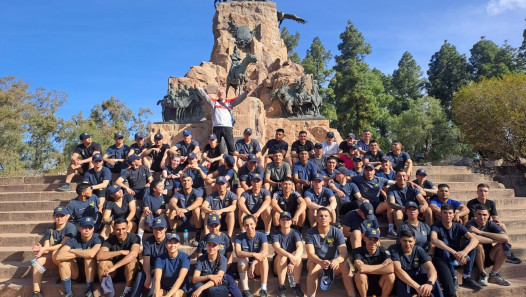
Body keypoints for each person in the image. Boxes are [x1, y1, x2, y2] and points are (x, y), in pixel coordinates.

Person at [431, 204, 482, 294]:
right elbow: (434, 240)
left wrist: (464, 252)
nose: (448, 215)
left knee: (471, 245)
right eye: (445, 213)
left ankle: (466, 276)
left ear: (454, 215)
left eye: (450, 213)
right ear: (441, 214)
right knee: (443, 246)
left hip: (458, 257)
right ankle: (454, 278)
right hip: (445, 257)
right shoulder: (436, 226)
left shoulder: (458, 226)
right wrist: (454, 252)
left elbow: (474, 239)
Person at [305, 208, 356, 297]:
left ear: (330, 219)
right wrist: (320, 261)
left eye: (326, 216)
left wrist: (338, 260)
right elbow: (310, 254)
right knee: (312, 265)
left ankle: (352, 295)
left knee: (345, 265)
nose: (323, 218)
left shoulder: (337, 232)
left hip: (334, 264)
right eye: (320, 216)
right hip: (318, 263)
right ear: (316, 218)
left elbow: (344, 252)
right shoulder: (310, 233)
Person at [466, 183, 521, 264]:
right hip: (478, 224)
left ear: (489, 193)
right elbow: (473, 218)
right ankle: (503, 243)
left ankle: (506, 247)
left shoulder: (491, 203)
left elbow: (495, 216)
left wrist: (497, 221)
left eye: (485, 191)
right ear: (477, 192)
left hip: (488, 223)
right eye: (481, 191)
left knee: (502, 225)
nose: (483, 193)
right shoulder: (471, 203)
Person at [30, 207, 77, 297]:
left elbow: (62, 245)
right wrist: (41, 249)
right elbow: (47, 246)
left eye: (62, 215)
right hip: (55, 259)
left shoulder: (71, 227)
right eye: (57, 216)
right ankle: (36, 292)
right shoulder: (50, 230)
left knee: (56, 252)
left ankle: (68, 291)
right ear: (53, 217)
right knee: (38, 261)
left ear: (67, 216)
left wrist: (45, 249)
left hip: (69, 260)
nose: (59, 218)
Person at [196, 84, 253, 155]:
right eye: (219, 93)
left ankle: (231, 163)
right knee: (216, 146)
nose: (221, 94)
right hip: (217, 127)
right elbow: (206, 97)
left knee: (231, 146)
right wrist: (199, 88)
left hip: (227, 127)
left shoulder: (230, 102)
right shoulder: (214, 102)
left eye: (222, 93)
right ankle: (217, 163)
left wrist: (247, 92)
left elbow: (239, 99)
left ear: (225, 94)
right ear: (218, 95)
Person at [56, 216, 103, 297]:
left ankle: (88, 291)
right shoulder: (74, 240)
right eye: (84, 227)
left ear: (93, 229)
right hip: (77, 273)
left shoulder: (97, 238)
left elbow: (91, 254)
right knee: (63, 262)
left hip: (92, 272)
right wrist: (83, 253)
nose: (87, 230)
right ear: (79, 228)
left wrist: (73, 251)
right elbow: (59, 256)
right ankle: (68, 292)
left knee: (89, 259)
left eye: (90, 227)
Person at [196, 215, 242, 297]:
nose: (214, 228)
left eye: (216, 226)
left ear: (220, 225)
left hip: (224, 269)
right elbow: (199, 257)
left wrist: (222, 270)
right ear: (208, 227)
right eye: (211, 226)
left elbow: (230, 259)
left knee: (234, 288)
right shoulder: (203, 240)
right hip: (207, 269)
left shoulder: (226, 238)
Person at [466, 205, 511, 287]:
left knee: (504, 246)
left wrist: (481, 232)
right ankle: (482, 273)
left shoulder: (490, 224)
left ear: (488, 215)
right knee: (478, 245)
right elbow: (476, 239)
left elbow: (505, 238)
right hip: (475, 258)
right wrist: (495, 239)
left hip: (489, 255)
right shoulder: (470, 224)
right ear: (475, 214)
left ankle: (494, 274)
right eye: (479, 214)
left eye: (484, 215)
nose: (482, 217)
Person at [389, 229, 442, 297]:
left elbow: (431, 269)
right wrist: (417, 287)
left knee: (433, 281)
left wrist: (429, 284)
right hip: (402, 280)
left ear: (414, 241)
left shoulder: (419, 250)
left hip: (416, 278)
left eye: (410, 241)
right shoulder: (394, 250)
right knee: (401, 283)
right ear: (400, 240)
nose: (407, 244)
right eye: (404, 241)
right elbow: (398, 270)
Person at [97, 218, 141, 297]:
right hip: (115, 273)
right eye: (118, 229)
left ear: (127, 228)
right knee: (103, 263)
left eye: (123, 229)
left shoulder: (134, 237)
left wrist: (114, 267)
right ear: (113, 229)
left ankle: (127, 291)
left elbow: (134, 254)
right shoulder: (109, 240)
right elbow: (99, 256)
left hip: (129, 272)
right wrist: (120, 252)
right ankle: (107, 292)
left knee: (132, 261)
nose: (121, 232)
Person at [351, 164, 395, 237]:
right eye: (367, 170)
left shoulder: (380, 180)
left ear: (374, 171)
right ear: (364, 171)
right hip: (365, 204)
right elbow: (348, 177)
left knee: (389, 204)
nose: (369, 172)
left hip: (376, 204)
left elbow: (395, 182)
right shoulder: (358, 178)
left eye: (371, 170)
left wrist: (409, 182)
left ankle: (390, 229)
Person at [352, 228, 395, 297]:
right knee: (360, 275)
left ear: (379, 241)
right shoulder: (357, 251)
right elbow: (361, 269)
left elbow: (391, 269)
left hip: (380, 283)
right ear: (364, 239)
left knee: (391, 275)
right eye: (370, 239)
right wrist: (382, 265)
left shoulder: (384, 251)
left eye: (375, 240)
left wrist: (367, 270)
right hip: (365, 284)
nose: (373, 243)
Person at [235, 215, 269, 297]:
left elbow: (266, 251)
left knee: (264, 259)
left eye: (251, 224)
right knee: (242, 259)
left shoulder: (262, 235)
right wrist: (253, 254)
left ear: (255, 224)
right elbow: (238, 252)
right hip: (245, 267)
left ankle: (263, 289)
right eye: (246, 225)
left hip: (257, 267)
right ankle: (245, 290)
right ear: (243, 226)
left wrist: (254, 263)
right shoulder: (239, 238)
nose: (249, 227)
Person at [271, 211, 304, 297]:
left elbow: (300, 247)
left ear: (291, 221)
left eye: (288, 219)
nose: (285, 221)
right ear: (279, 221)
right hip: (279, 263)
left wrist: (292, 261)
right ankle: (281, 286)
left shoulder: (295, 232)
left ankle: (296, 286)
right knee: (283, 257)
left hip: (293, 264)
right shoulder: (275, 234)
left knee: (298, 256)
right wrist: (289, 256)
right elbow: (277, 248)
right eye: (283, 219)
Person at [135, 216, 168, 297]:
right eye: (156, 228)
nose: (158, 231)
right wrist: (148, 276)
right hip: (152, 267)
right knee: (140, 275)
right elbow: (146, 261)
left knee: (155, 277)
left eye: (161, 228)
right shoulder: (148, 242)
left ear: (165, 229)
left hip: (165, 269)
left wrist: (152, 274)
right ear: (152, 229)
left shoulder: (170, 241)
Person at [153, 232, 190, 297]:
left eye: (175, 243)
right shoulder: (160, 258)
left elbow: (181, 278)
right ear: (166, 245)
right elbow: (157, 279)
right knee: (157, 293)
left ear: (179, 245)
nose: (172, 245)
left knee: (175, 295)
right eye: (170, 243)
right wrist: (156, 293)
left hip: (180, 288)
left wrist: (168, 296)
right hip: (165, 287)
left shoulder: (185, 257)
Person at [169, 175, 204, 244]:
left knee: (196, 209)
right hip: (181, 219)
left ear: (192, 183)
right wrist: (178, 209)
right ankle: (173, 237)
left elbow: (199, 201)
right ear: (181, 183)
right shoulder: (178, 193)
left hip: (192, 221)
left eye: (188, 180)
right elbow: (172, 201)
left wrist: (187, 209)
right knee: (172, 210)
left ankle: (197, 237)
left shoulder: (196, 191)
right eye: (184, 181)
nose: (186, 182)